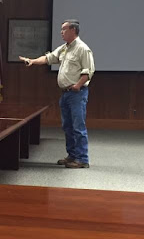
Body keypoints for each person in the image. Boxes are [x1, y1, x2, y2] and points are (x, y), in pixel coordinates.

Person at [19, 19, 95, 168]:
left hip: (77, 94)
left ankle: (82, 159)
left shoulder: (82, 49)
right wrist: (32, 61)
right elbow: (49, 58)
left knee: (78, 126)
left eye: (64, 29)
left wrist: (78, 86)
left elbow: (89, 71)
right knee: (67, 126)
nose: (61, 32)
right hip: (65, 94)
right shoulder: (64, 48)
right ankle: (72, 156)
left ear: (73, 30)